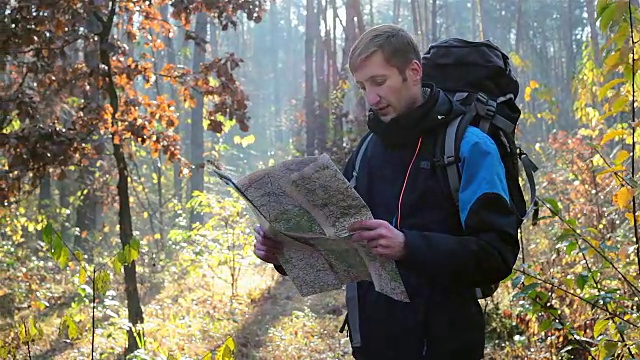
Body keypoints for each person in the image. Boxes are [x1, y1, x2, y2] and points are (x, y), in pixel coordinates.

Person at [253, 24, 521, 360]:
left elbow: (496, 254)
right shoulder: (367, 150)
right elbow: (341, 248)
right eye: (363, 86)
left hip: (446, 344)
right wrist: (284, 252)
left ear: (413, 71)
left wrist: (408, 245)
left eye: (379, 82)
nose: (371, 98)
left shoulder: (470, 146)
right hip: (373, 342)